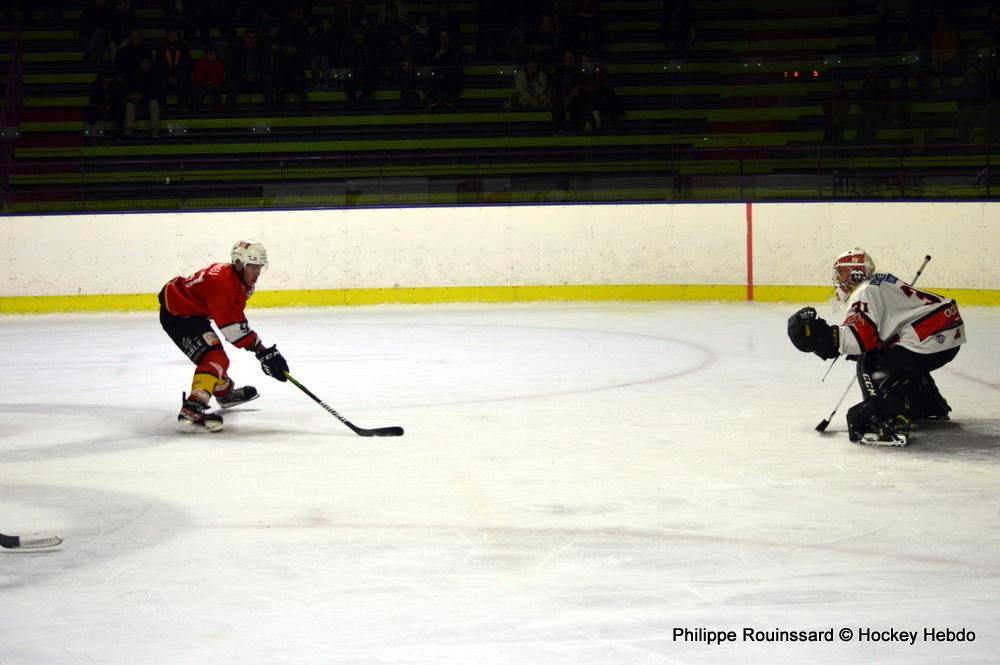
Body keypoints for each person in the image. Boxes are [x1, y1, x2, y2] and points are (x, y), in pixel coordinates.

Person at [787, 248, 965, 446]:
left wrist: (821, 339)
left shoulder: (864, 292)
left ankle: (891, 424)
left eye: (842, 272)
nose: (838, 278)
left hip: (930, 334)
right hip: (945, 327)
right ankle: (927, 406)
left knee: (875, 367)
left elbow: (856, 340)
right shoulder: (880, 280)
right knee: (898, 357)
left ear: (856, 272)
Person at [159, 239, 290, 432]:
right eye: (253, 268)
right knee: (214, 358)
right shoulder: (224, 284)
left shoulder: (240, 282)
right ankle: (193, 407)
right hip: (178, 313)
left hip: (192, 312)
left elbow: (234, 318)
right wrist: (263, 352)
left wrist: (262, 351)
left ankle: (225, 393)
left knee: (216, 360)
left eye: (260, 268)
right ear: (238, 264)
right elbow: (232, 328)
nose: (257, 273)